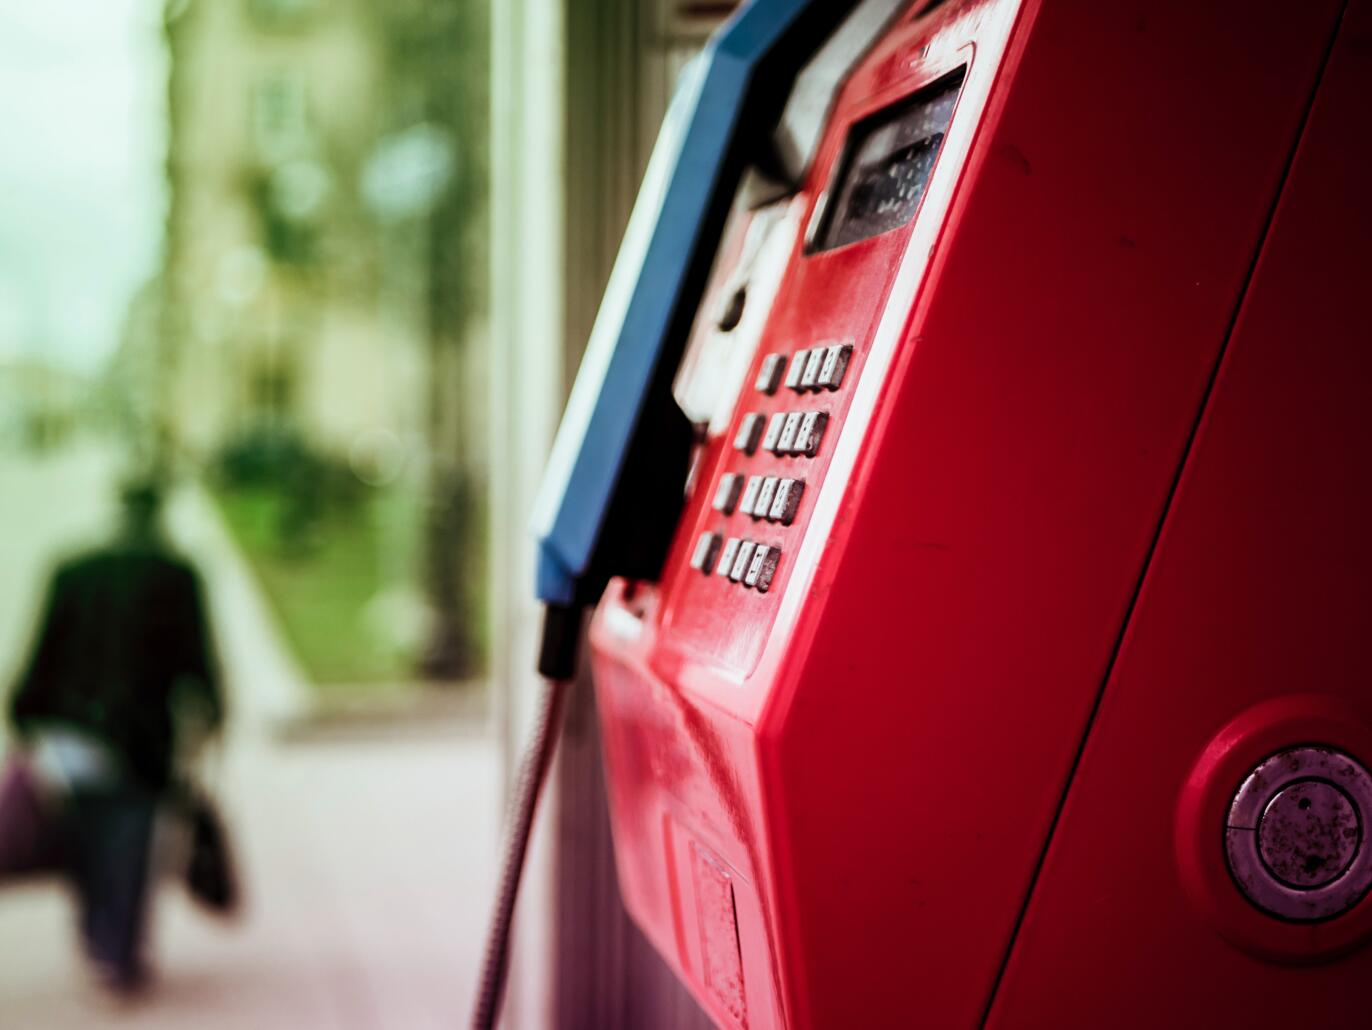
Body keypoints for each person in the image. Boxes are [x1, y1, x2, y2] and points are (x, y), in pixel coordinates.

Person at [6, 477, 224, 992]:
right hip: (139, 740)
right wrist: (214, 713)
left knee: (85, 836)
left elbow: (43, 647)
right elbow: (198, 656)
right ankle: (118, 950)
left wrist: (23, 714)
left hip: (72, 732)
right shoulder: (176, 575)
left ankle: (95, 933)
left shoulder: (73, 568)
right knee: (127, 846)